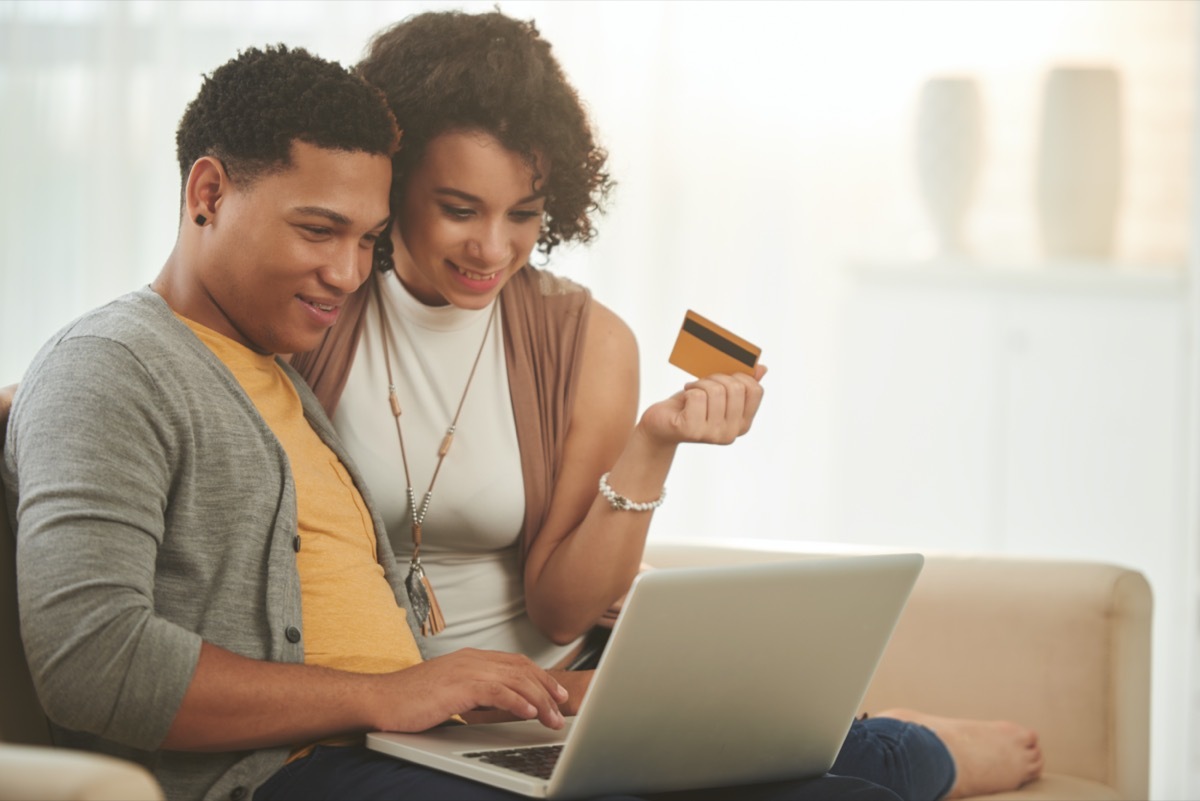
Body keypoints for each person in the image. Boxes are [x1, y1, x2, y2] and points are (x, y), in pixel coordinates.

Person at [0, 43, 904, 801]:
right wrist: (389, 694)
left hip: (408, 739)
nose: (351, 273)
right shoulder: (113, 364)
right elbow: (94, 663)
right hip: (291, 771)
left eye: (365, 238)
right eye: (319, 231)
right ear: (206, 194)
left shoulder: (273, 371)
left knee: (835, 778)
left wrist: (442, 696)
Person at [291, 10, 1045, 801]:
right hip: (396, 710)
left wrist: (653, 443)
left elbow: (560, 612)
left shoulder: (586, 339)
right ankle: (876, 738)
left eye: (523, 213)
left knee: (855, 777)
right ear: (395, 180)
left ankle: (909, 742)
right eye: (459, 208)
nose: (493, 249)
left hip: (558, 690)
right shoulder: (316, 313)